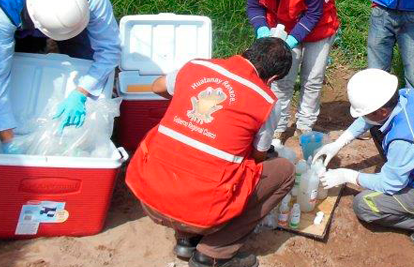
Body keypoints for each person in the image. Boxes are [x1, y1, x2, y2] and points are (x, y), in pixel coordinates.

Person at [125, 38, 295, 267]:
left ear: (245, 51)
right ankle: (214, 252)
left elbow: (157, 86)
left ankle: (185, 239)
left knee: (188, 148)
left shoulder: (197, 67)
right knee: (284, 171)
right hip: (202, 212)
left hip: (147, 193)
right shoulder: (265, 101)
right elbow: (257, 158)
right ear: (273, 79)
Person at [0, 0, 122, 152]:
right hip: (21, 7)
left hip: (72, 13)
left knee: (85, 55)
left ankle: (82, 132)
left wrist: (83, 91)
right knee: (22, 60)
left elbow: (110, 48)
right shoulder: (2, 7)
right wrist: (7, 140)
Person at [312, 69, 414, 247]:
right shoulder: (407, 96)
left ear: (382, 112)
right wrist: (338, 143)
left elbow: (390, 184)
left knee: (364, 205)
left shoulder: (404, 139)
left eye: (366, 113)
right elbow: (369, 119)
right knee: (375, 128)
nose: (363, 117)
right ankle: (403, 172)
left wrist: (346, 175)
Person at [246, 0, 340, 139]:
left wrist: (290, 42)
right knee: (281, 79)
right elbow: (254, 8)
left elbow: (313, 14)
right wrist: (262, 29)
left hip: (319, 28)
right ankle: (278, 126)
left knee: (312, 78)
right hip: (282, 26)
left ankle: (305, 124)